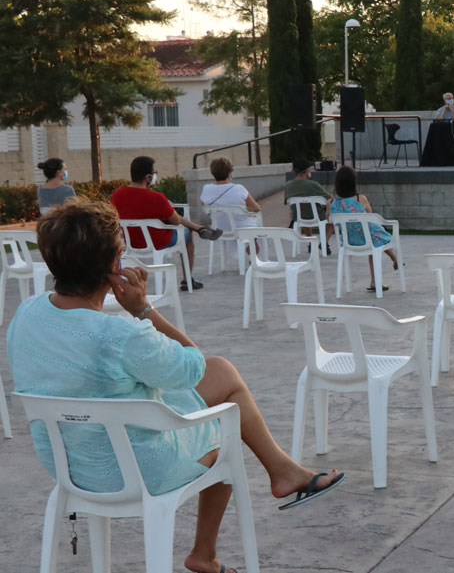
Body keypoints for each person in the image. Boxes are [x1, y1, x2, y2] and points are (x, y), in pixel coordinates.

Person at [6, 199, 345, 573]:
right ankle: (208, 551)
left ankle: (282, 473)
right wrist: (144, 310)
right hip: (137, 471)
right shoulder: (121, 336)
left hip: (69, 467)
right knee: (224, 429)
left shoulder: (29, 312)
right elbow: (192, 364)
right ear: (113, 266)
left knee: (221, 374)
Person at [111, 156, 221, 292]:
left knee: (181, 223)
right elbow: (175, 221)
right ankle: (188, 279)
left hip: (132, 242)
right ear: (148, 177)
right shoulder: (156, 198)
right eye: (154, 173)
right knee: (187, 233)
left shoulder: (117, 195)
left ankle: (199, 228)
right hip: (159, 242)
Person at [329, 166, 399, 292]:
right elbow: (371, 217)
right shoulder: (360, 199)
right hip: (367, 240)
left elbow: (330, 221)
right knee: (377, 237)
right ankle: (391, 261)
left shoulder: (332, 203)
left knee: (374, 238)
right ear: (353, 183)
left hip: (348, 242)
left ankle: (378, 277)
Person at [284, 157, 334, 251]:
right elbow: (330, 198)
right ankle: (324, 242)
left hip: (298, 217)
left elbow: (286, 201)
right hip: (318, 216)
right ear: (307, 170)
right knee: (332, 219)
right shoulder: (313, 185)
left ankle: (311, 242)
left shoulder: (288, 185)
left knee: (303, 213)